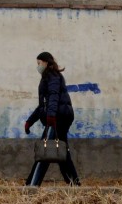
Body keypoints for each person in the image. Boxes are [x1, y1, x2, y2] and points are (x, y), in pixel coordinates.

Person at [24, 51, 81, 186]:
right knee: (61, 151)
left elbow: (54, 97)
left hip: (58, 117)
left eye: (39, 63)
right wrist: (30, 121)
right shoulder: (48, 77)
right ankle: (74, 184)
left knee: (45, 151)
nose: (38, 66)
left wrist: (51, 117)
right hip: (59, 116)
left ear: (46, 62)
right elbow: (43, 105)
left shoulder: (52, 76)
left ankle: (31, 185)